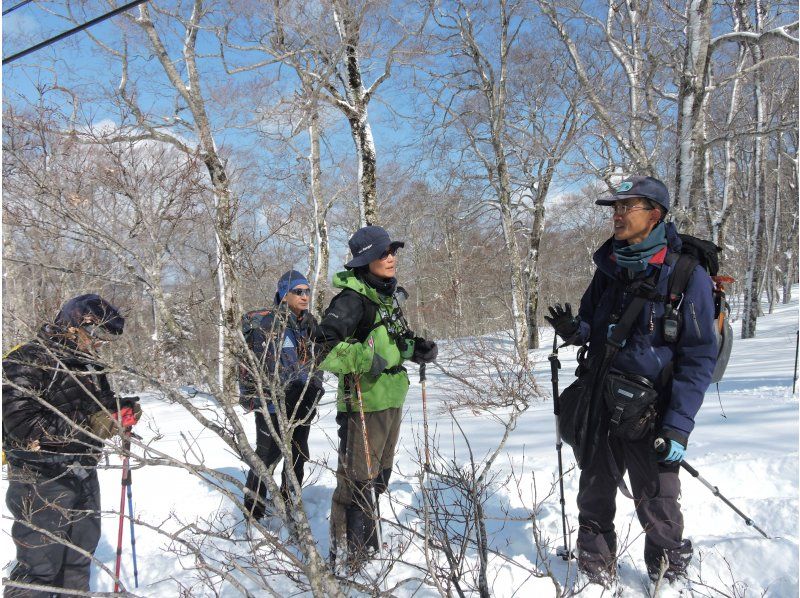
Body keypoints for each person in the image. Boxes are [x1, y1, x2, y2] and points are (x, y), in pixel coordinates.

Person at [546, 176, 717, 587]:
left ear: (655, 214)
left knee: (657, 499)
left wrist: (678, 426)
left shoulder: (686, 275)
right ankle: (594, 568)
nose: (617, 216)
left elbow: (698, 357)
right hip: (601, 397)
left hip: (653, 409)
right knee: (594, 491)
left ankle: (668, 576)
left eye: (627, 207)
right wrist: (574, 330)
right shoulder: (610, 267)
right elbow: (593, 325)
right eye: (615, 208)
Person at [310, 225, 438, 567]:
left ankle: (368, 549)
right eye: (383, 253)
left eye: (392, 251)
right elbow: (321, 347)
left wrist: (415, 349)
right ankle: (347, 558)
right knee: (356, 483)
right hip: (362, 403)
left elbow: (392, 341)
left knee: (378, 479)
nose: (391, 257)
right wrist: (366, 360)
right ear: (366, 260)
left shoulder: (385, 296)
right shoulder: (352, 300)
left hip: (390, 399)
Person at [2, 294, 142, 597]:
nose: (100, 344)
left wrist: (118, 410)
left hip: (83, 469)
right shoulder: (28, 358)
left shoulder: (88, 363)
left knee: (79, 559)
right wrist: (90, 426)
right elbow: (20, 424)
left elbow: (94, 405)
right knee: (39, 567)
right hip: (39, 477)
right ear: (77, 325)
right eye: (97, 335)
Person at [241, 270, 324, 520]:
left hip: (302, 402)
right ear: (284, 294)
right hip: (273, 404)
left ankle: (291, 503)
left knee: (298, 454)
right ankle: (253, 511)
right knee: (267, 455)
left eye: (307, 291)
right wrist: (269, 396)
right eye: (298, 291)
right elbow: (261, 367)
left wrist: (314, 389)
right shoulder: (268, 326)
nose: (305, 296)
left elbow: (319, 360)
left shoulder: (309, 324)